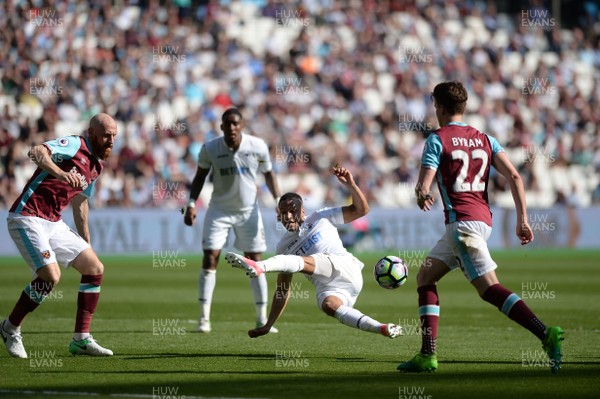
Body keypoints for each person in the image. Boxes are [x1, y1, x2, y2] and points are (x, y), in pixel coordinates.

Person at [397, 81, 564, 373]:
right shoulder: (485, 138)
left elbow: (424, 186)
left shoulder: (437, 139)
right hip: (480, 221)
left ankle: (545, 332)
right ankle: (427, 354)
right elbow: (515, 177)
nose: (434, 108)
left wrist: (422, 194)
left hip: (462, 225)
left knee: (489, 289)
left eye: (435, 104)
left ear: (441, 107)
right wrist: (523, 219)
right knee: (425, 276)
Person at [225, 165, 402, 340]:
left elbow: (361, 210)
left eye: (292, 211)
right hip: (332, 288)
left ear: (302, 211)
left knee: (307, 261)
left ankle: (259, 266)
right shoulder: (283, 247)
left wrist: (350, 185)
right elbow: (282, 291)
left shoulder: (321, 217)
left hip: (345, 267)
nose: (287, 217)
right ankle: (381, 327)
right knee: (328, 305)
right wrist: (268, 324)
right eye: (283, 213)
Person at [1, 113, 117, 358]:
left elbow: (81, 204)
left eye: (114, 136)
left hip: (54, 222)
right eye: (106, 135)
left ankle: (81, 339)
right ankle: (10, 328)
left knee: (94, 267)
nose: (111, 140)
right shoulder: (75, 144)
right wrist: (62, 174)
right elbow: (36, 152)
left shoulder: (96, 166)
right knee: (50, 276)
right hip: (28, 216)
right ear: (92, 133)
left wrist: (86, 243)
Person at [184, 108, 281, 333]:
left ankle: (261, 319)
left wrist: (277, 200)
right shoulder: (210, 148)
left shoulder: (257, 146)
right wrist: (190, 203)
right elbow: (199, 177)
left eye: (235, 124)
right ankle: (204, 319)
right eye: (227, 124)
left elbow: (269, 174)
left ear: (242, 126)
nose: (231, 128)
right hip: (219, 210)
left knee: (255, 261)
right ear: (221, 127)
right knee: (210, 258)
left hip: (249, 211)